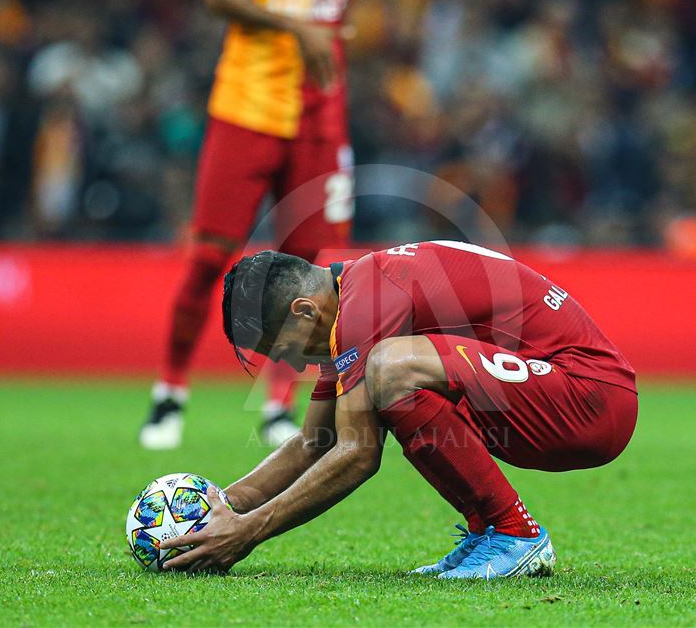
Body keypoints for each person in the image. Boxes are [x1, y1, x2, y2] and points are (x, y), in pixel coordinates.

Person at [161, 240, 638, 579]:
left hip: (591, 398)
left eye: (279, 348)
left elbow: (358, 454)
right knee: (388, 368)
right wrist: (219, 507)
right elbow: (316, 442)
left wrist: (247, 533)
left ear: (305, 311)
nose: (286, 363)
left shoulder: (366, 306)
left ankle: (515, 533)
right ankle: (491, 532)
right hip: (561, 395)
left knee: (392, 367)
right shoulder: (350, 300)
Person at [140, 0, 353, 450]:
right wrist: (296, 28)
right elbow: (218, 0)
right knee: (209, 256)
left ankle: (280, 404)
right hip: (248, 106)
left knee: (304, 269)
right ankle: (170, 393)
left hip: (320, 114)